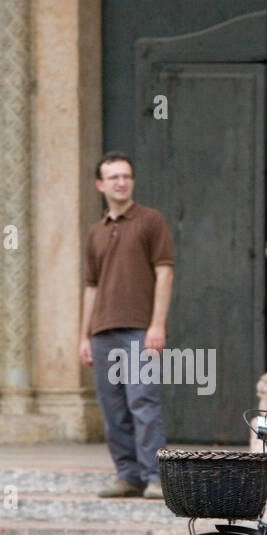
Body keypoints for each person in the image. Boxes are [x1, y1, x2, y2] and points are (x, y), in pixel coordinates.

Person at [79, 151, 174, 499]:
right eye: (114, 177)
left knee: (143, 403)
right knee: (113, 409)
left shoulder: (151, 221)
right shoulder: (95, 233)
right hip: (103, 332)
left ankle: (153, 477)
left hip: (139, 329)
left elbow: (164, 273)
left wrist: (157, 325)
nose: (121, 182)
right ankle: (127, 475)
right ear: (100, 184)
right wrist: (84, 335)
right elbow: (91, 286)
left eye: (126, 176)